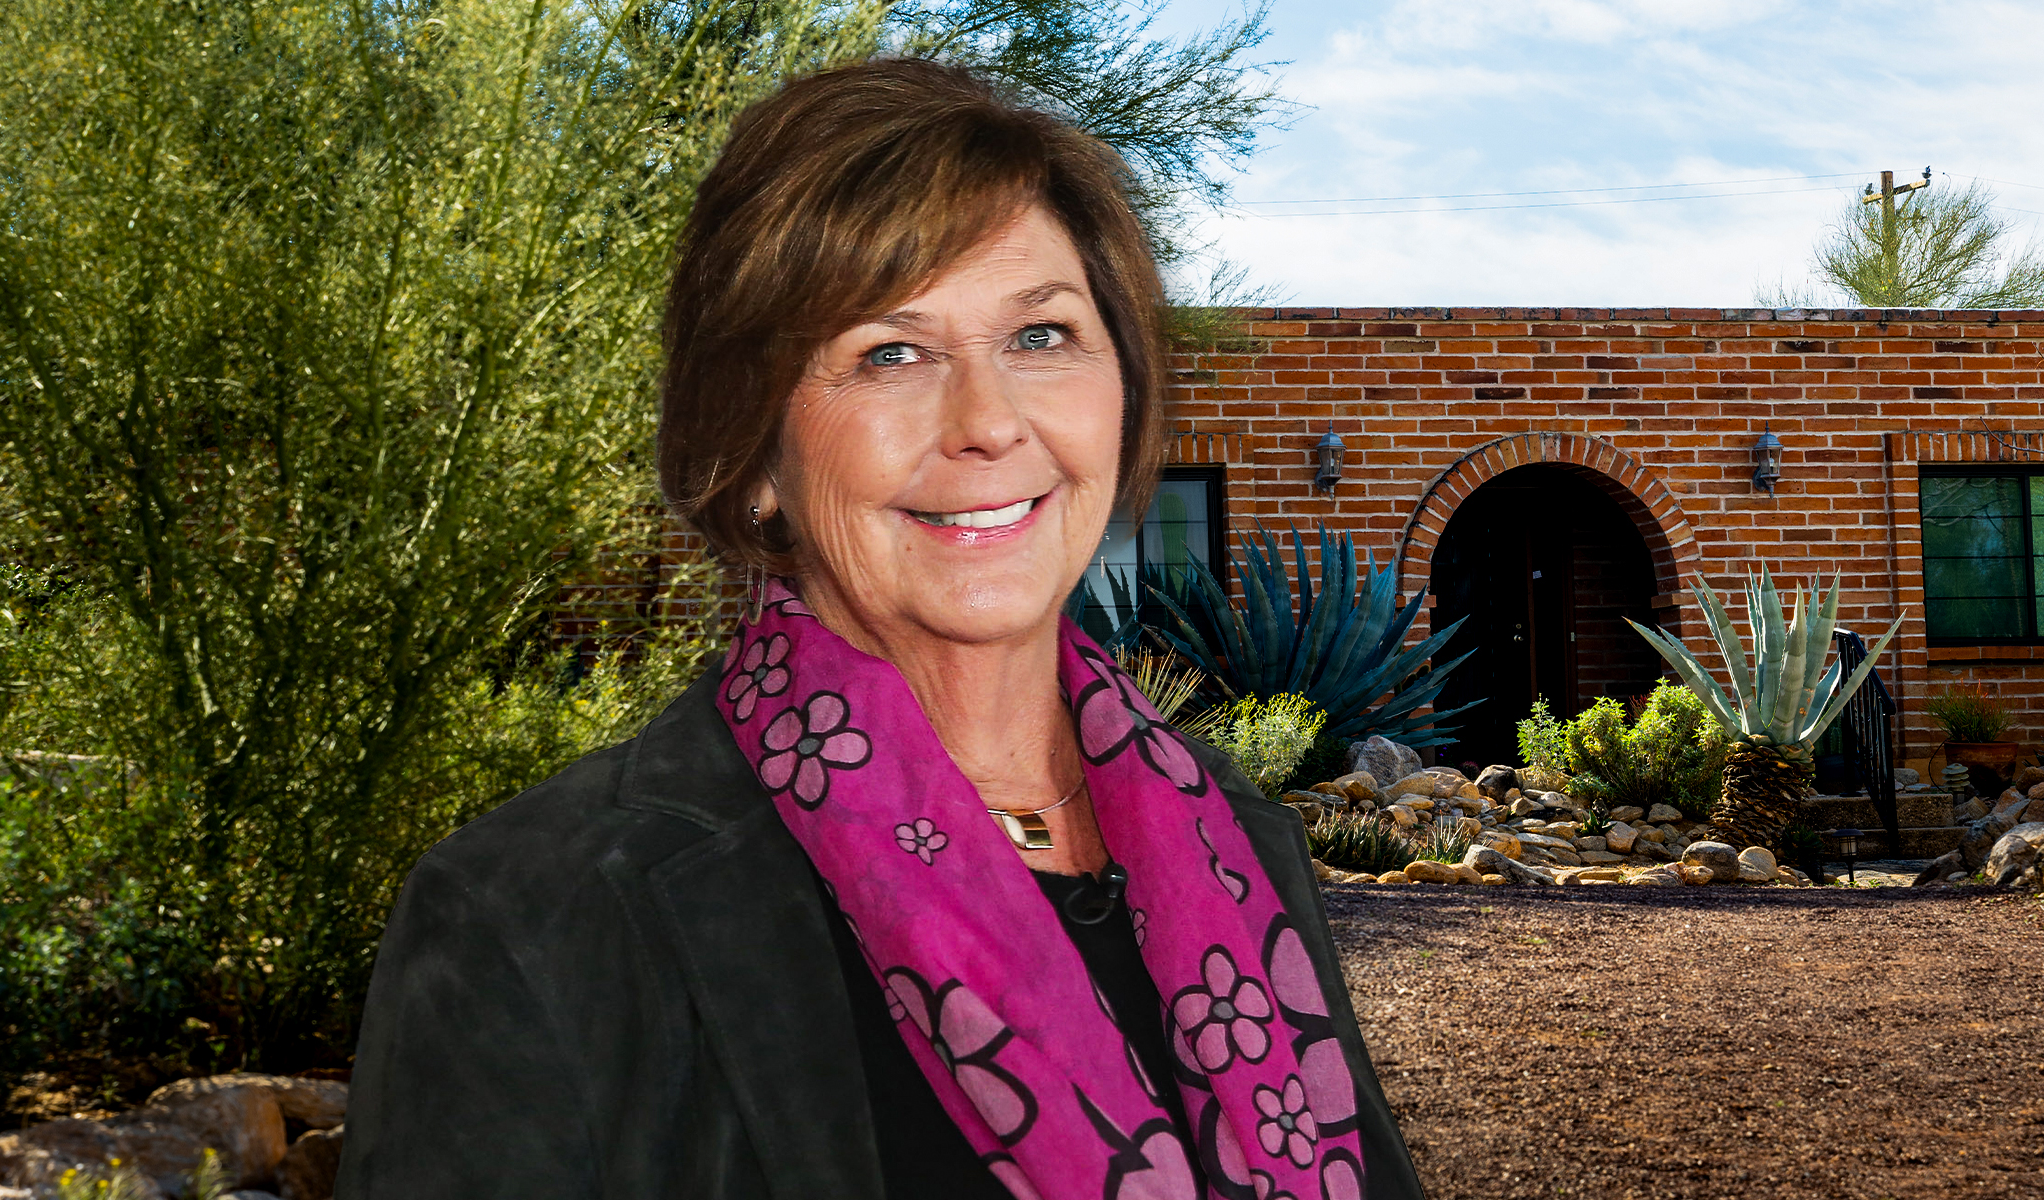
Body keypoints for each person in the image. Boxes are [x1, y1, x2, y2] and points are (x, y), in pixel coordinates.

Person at [337, 58, 1424, 1200]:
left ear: (1124, 391)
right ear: (755, 455)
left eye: (1041, 336)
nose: (988, 423)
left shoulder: (1239, 846)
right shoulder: (536, 915)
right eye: (888, 354)